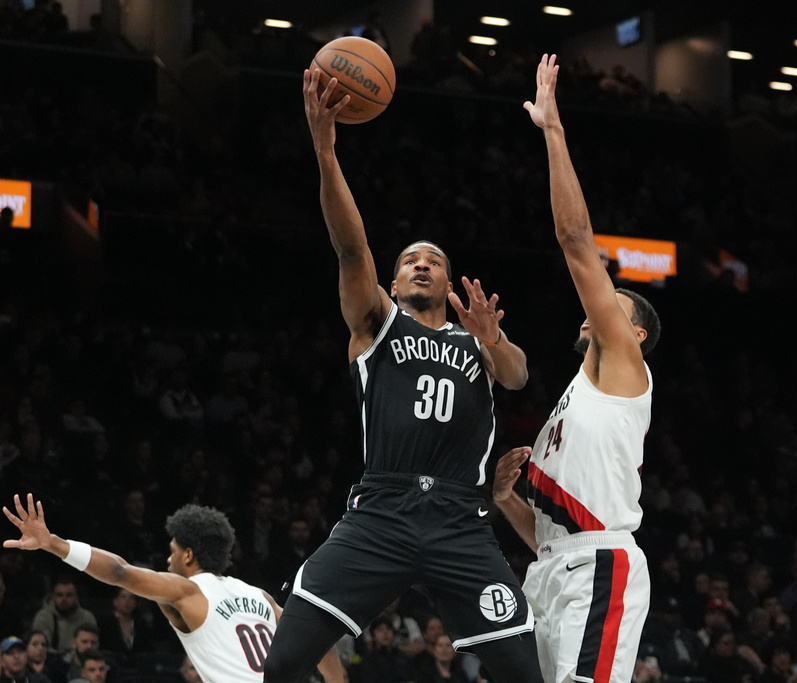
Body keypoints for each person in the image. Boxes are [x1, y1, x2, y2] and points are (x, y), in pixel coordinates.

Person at [262, 66, 545, 683]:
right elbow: (351, 248)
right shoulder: (377, 324)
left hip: (459, 517)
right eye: (411, 260)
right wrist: (325, 151)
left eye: (434, 261)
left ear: (448, 281)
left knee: (526, 673)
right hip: (382, 511)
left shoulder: (476, 341)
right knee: (283, 662)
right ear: (392, 283)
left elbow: (518, 376)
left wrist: (493, 339)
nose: (422, 265)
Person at [491, 54, 661, 683]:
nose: (599, 305)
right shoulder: (575, 397)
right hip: (552, 570)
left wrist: (554, 132)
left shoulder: (623, 365)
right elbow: (551, 537)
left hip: (601, 567)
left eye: (615, 303)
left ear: (634, 333)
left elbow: (574, 240)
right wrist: (505, 500)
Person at [2, 495, 343, 683]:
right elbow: (321, 646)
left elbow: (120, 571)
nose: (168, 560)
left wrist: (55, 544)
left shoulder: (188, 591)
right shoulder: (261, 597)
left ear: (189, 555)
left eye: (172, 552)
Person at [28, 578, 96, 654]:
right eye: (60, 595)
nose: (64, 599)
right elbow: (40, 647)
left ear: (76, 597)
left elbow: (92, 646)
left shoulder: (87, 618)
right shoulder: (43, 617)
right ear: (53, 597)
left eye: (69, 595)